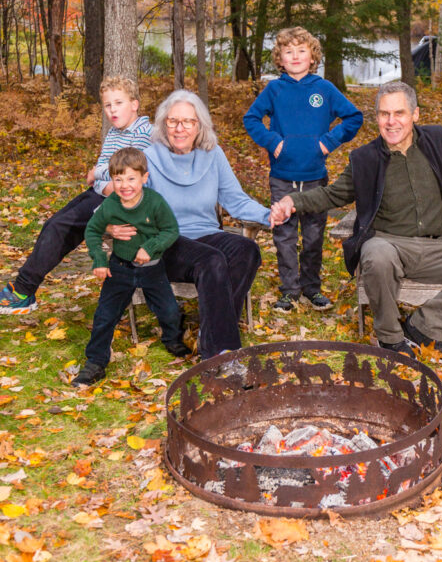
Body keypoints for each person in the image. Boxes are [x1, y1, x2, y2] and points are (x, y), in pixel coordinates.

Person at [270, 80, 442, 363]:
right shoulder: (365, 158)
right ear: (377, 117)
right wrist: (292, 201)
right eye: (384, 114)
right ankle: (391, 338)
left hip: (438, 248)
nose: (391, 122)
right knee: (376, 253)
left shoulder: (438, 140)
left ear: (415, 114)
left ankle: (423, 327)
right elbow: (332, 194)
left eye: (399, 113)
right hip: (390, 246)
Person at [110, 90, 271, 360]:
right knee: (212, 259)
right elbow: (123, 198)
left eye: (188, 122)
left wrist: (270, 215)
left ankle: (210, 333)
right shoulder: (146, 158)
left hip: (207, 236)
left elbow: (235, 199)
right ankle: (220, 353)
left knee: (247, 250)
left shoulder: (213, 155)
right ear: (164, 125)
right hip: (165, 243)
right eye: (173, 121)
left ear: (199, 126)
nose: (180, 128)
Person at [0, 76, 152, 316]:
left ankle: (22, 291)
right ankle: (23, 290)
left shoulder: (143, 132)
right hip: (100, 194)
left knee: (62, 227)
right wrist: (103, 177)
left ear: (134, 104)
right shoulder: (114, 133)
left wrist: (98, 174)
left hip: (119, 202)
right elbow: (107, 171)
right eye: (108, 105)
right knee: (54, 223)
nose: (112, 110)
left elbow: (126, 178)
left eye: (119, 103)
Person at [243, 27, 363, 312]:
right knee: (284, 235)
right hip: (282, 176)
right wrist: (273, 142)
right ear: (280, 59)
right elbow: (252, 119)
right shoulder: (274, 89)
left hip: (315, 177)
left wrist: (327, 143)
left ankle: (311, 288)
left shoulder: (324, 89)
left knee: (313, 236)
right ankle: (289, 291)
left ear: (312, 57)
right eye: (288, 51)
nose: (295, 56)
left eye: (301, 50)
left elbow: (353, 117)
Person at [73, 147, 188, 387]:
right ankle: (95, 362)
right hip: (120, 268)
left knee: (168, 310)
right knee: (104, 316)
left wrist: (151, 247)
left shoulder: (154, 202)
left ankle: (173, 339)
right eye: (118, 179)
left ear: (144, 178)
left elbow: (171, 230)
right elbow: (92, 231)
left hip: (152, 268)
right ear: (111, 181)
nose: (125, 185)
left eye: (131, 178)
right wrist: (100, 260)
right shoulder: (110, 205)